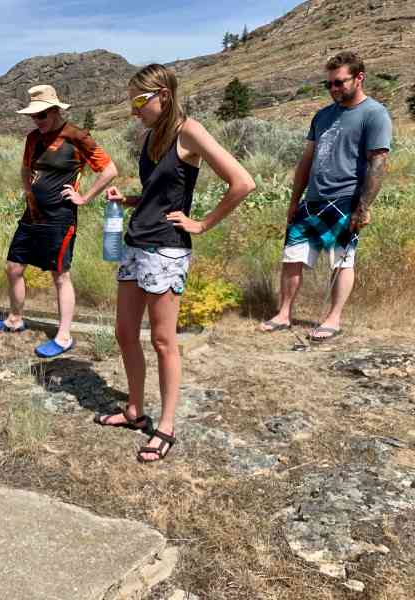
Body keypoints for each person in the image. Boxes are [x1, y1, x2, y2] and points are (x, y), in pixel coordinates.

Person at [99, 64, 255, 462]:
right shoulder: (154, 136)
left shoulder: (190, 130)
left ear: (162, 96)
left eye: (139, 101)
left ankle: (165, 426)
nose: (134, 111)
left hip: (166, 248)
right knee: (124, 332)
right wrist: (130, 201)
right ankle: (134, 410)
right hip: (136, 243)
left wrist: (201, 223)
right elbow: (161, 192)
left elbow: (242, 182)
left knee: (164, 340)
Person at [259, 51, 392, 341]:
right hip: (313, 199)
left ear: (359, 78)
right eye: (329, 84)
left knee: (341, 261)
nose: (333, 89)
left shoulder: (374, 114)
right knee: (292, 257)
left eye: (339, 83)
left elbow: (379, 162)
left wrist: (364, 207)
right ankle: (284, 314)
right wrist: (295, 200)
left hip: (346, 199)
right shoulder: (322, 116)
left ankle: (333, 319)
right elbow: (307, 160)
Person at [0, 84, 117, 358]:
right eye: (33, 116)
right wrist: (29, 192)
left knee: (60, 275)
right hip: (33, 214)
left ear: (56, 111)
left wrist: (84, 197)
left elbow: (109, 170)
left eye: (42, 116)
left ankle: (64, 336)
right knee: (13, 267)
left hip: (60, 217)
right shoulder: (33, 138)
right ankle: (15, 319)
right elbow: (25, 168)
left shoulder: (77, 137)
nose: (37, 121)